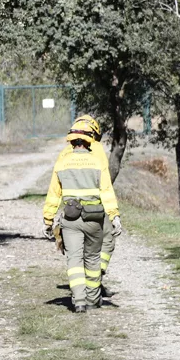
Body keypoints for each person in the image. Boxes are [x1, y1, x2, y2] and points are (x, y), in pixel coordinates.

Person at [43, 119, 120, 313]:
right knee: (93, 259)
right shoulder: (96, 161)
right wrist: (114, 216)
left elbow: (54, 193)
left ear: (71, 141)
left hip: (70, 220)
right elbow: (106, 191)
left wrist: (48, 219)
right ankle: (94, 299)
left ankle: (79, 302)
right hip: (94, 219)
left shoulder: (62, 162)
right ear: (89, 140)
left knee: (74, 260)